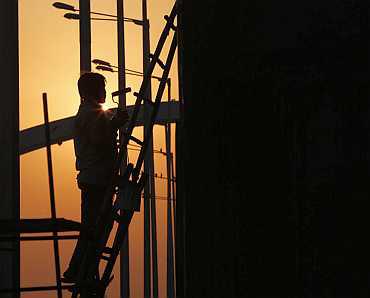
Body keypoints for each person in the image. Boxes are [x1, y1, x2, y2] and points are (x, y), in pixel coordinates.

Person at [62, 72, 129, 283]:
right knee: (94, 228)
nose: (106, 92)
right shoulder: (91, 114)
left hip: (96, 179)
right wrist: (115, 124)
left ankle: (81, 269)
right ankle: (78, 270)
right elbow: (99, 139)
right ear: (94, 91)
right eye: (103, 88)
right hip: (96, 180)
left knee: (95, 227)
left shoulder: (89, 113)